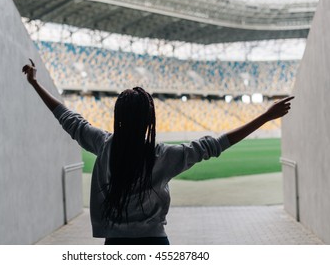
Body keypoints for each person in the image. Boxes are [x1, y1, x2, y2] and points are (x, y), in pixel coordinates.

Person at [22, 59, 293, 245]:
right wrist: (265, 117)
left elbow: (67, 117)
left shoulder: (103, 145)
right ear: (148, 120)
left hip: (114, 243)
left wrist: (35, 83)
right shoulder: (163, 156)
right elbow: (216, 144)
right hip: (155, 242)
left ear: (118, 117)